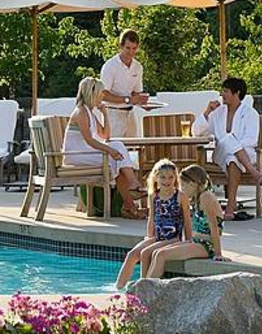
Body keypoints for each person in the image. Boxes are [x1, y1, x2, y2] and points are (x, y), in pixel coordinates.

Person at [63, 77, 146, 220]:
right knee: (115, 154)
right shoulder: (81, 112)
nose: (103, 96)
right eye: (101, 93)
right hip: (76, 155)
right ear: (92, 94)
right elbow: (89, 140)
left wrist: (105, 113)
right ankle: (131, 197)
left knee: (117, 147)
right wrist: (109, 150)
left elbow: (106, 135)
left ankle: (129, 205)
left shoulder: (90, 112)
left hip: (86, 152)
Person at [192, 77, 262, 221]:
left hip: (245, 154)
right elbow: (197, 132)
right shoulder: (217, 112)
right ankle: (253, 171)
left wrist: (234, 148)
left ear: (236, 93)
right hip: (221, 154)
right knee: (229, 142)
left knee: (232, 158)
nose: (222, 94)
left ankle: (231, 207)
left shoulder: (250, 113)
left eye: (225, 91)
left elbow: (252, 139)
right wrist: (207, 112)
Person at [114, 159, 192, 289]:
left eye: (170, 177)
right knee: (132, 254)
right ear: (156, 178)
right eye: (163, 177)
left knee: (146, 253)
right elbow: (152, 218)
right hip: (157, 237)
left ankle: (143, 286)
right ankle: (118, 288)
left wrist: (188, 240)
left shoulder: (180, 196)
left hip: (173, 238)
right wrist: (149, 237)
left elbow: (187, 220)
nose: (167, 181)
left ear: (175, 178)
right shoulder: (154, 196)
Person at [145, 165, 227, 278]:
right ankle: (144, 287)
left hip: (207, 245)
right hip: (196, 241)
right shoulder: (198, 197)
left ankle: (146, 291)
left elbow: (214, 227)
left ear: (192, 184)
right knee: (156, 252)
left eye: (183, 185)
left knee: (161, 255)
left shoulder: (206, 197)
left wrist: (218, 253)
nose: (181, 188)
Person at [100, 29, 149, 138]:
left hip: (130, 115)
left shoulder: (138, 67)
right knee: (114, 149)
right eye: (128, 48)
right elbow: (102, 95)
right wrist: (128, 100)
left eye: (134, 48)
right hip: (113, 115)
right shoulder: (110, 66)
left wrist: (142, 102)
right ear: (121, 46)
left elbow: (136, 93)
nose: (131, 52)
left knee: (133, 150)